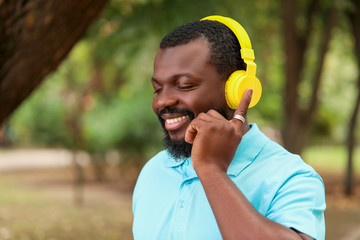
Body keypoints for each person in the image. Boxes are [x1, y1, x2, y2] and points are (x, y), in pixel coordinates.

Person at [132, 15, 326, 240]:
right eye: (157, 89)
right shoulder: (153, 171)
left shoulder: (291, 177)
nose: (162, 101)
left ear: (237, 90)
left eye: (184, 85)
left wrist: (211, 170)